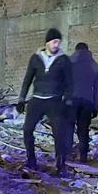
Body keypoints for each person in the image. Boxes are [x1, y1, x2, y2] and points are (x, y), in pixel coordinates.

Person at [16, 28, 74, 174]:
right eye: (54, 42)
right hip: (37, 100)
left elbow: (70, 82)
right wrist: (21, 99)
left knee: (59, 133)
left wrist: (67, 100)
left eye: (58, 42)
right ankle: (31, 160)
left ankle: (60, 164)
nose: (56, 45)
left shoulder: (64, 60)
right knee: (27, 130)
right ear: (47, 42)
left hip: (54, 101)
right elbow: (27, 79)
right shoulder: (36, 58)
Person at [69, 43, 98, 164]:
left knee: (68, 128)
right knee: (83, 130)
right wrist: (95, 107)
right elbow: (97, 89)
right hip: (87, 103)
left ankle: (66, 154)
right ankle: (83, 157)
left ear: (76, 50)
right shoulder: (95, 66)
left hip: (71, 100)